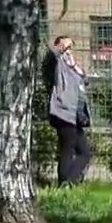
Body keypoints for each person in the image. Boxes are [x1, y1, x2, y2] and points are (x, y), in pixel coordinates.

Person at [44, 35, 92, 185]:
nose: (69, 51)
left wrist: (74, 67)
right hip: (63, 112)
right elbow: (51, 54)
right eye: (66, 47)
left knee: (84, 152)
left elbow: (85, 79)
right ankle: (66, 181)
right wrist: (61, 49)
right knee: (68, 148)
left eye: (71, 47)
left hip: (75, 115)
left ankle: (69, 180)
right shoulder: (57, 65)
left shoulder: (70, 67)